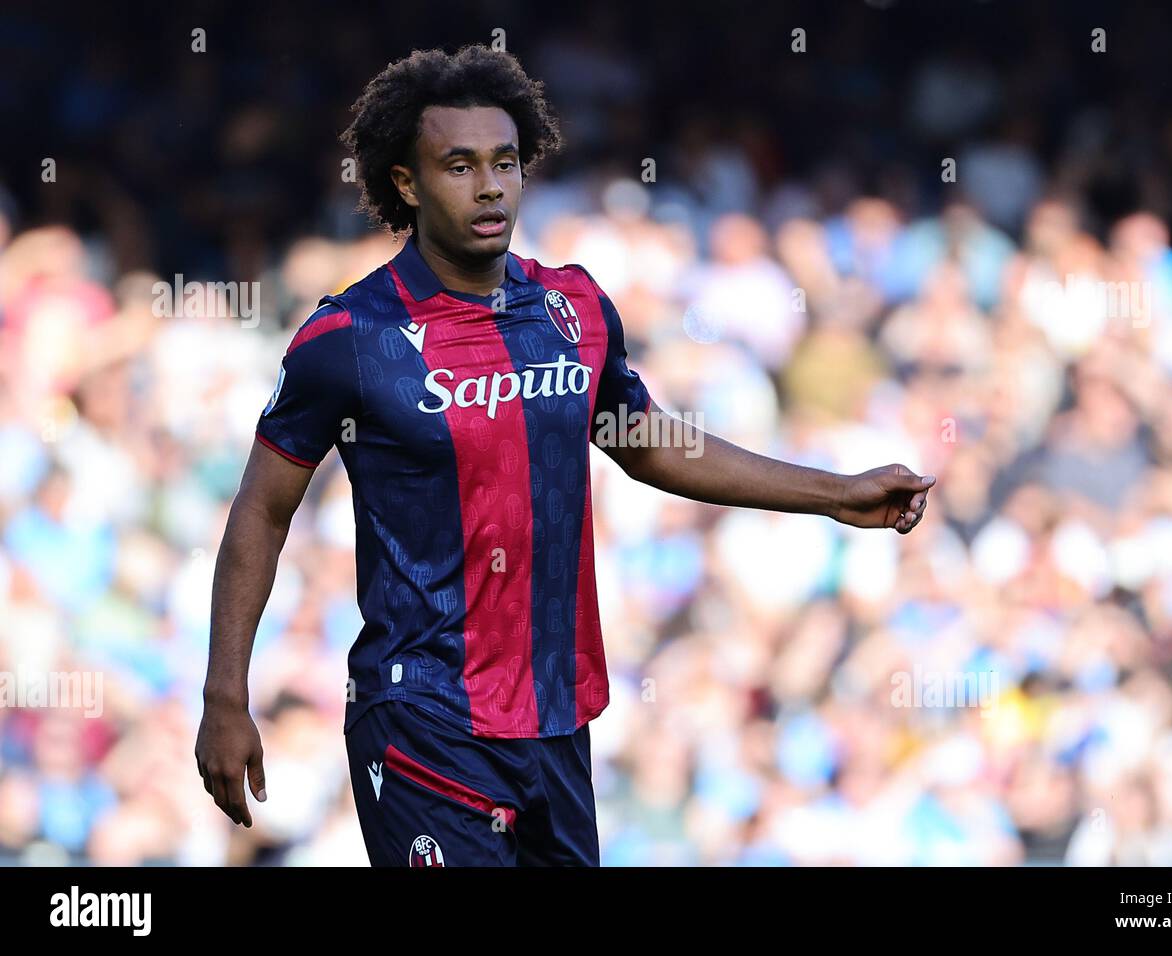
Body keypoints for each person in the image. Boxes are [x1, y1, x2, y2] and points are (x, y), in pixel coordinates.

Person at [194, 43, 935, 867]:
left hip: (557, 717)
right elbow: (262, 509)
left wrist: (833, 494)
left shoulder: (574, 308)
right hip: (422, 717)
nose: (490, 186)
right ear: (406, 183)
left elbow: (648, 442)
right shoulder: (350, 338)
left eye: (506, 163)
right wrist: (226, 693)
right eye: (459, 165)